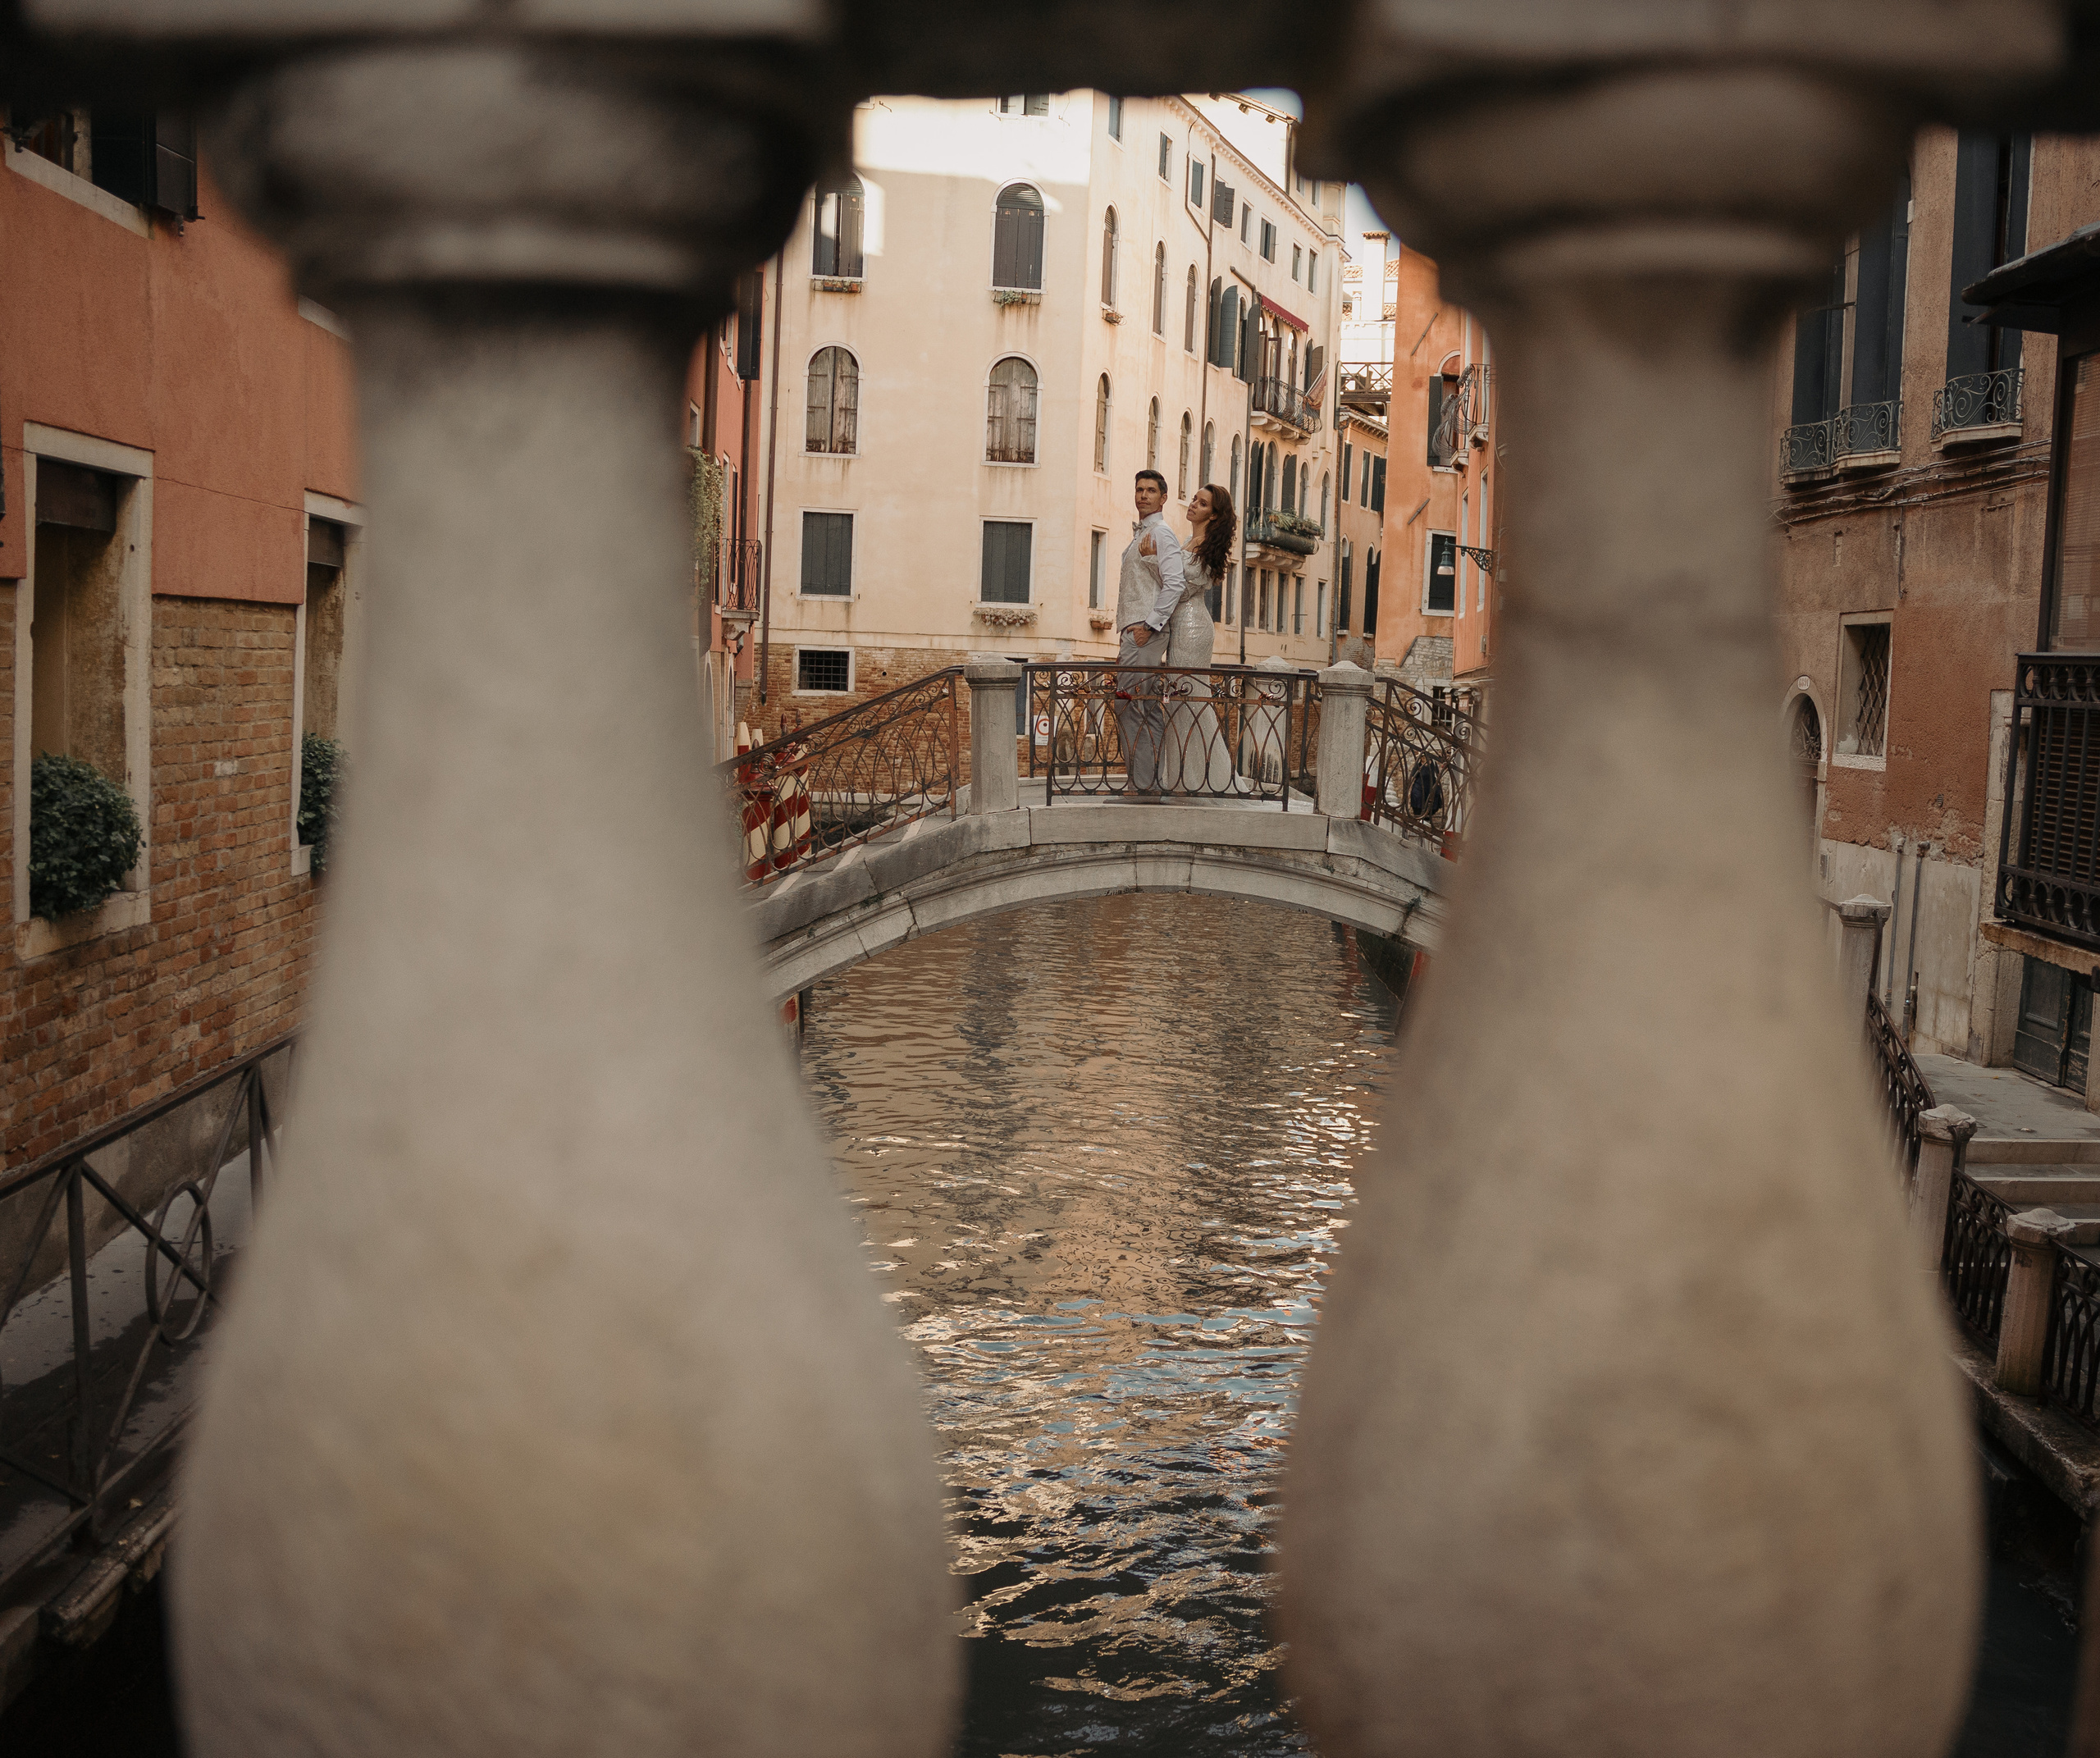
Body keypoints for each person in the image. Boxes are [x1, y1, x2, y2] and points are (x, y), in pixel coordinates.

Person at [1161, 483, 1241, 793]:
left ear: (1214, 514)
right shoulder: (1191, 541)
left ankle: (1199, 780)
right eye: (1194, 499)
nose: (1193, 504)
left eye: (1202, 503)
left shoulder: (1204, 545)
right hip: (1183, 623)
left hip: (1191, 628)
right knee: (1180, 701)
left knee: (1188, 701)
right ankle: (1183, 776)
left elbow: (1177, 588)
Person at [1112, 469, 1185, 797]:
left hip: (1145, 633)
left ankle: (1141, 783)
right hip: (1136, 631)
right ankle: (1151, 781)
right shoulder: (1143, 533)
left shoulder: (1162, 533)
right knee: (1148, 708)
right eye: (1139, 489)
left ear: (1163, 497)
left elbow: (1175, 583)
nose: (1143, 495)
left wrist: (1150, 626)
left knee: (1127, 705)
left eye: (1151, 491)